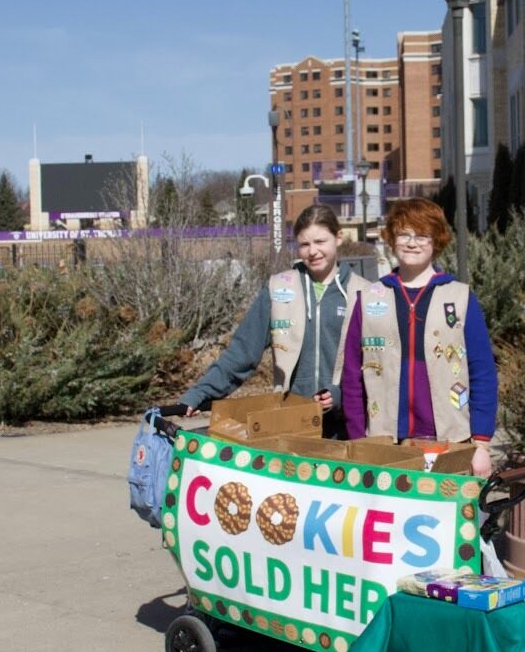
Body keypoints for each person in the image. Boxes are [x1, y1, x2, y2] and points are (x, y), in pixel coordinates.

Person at [340, 198, 496, 477]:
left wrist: (481, 443)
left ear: (436, 241)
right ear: (391, 238)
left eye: (422, 235)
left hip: (448, 437)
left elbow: (482, 370)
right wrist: (357, 440)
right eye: (404, 234)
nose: (412, 243)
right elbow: (352, 375)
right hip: (385, 439)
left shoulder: (459, 297)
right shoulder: (369, 298)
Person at [181, 205, 368, 436]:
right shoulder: (278, 288)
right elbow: (241, 352)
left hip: (345, 427)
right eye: (304, 244)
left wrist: (341, 394)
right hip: (291, 422)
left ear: (338, 238)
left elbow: (374, 366)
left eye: (320, 242)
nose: (313, 251)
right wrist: (200, 393)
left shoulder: (363, 292)